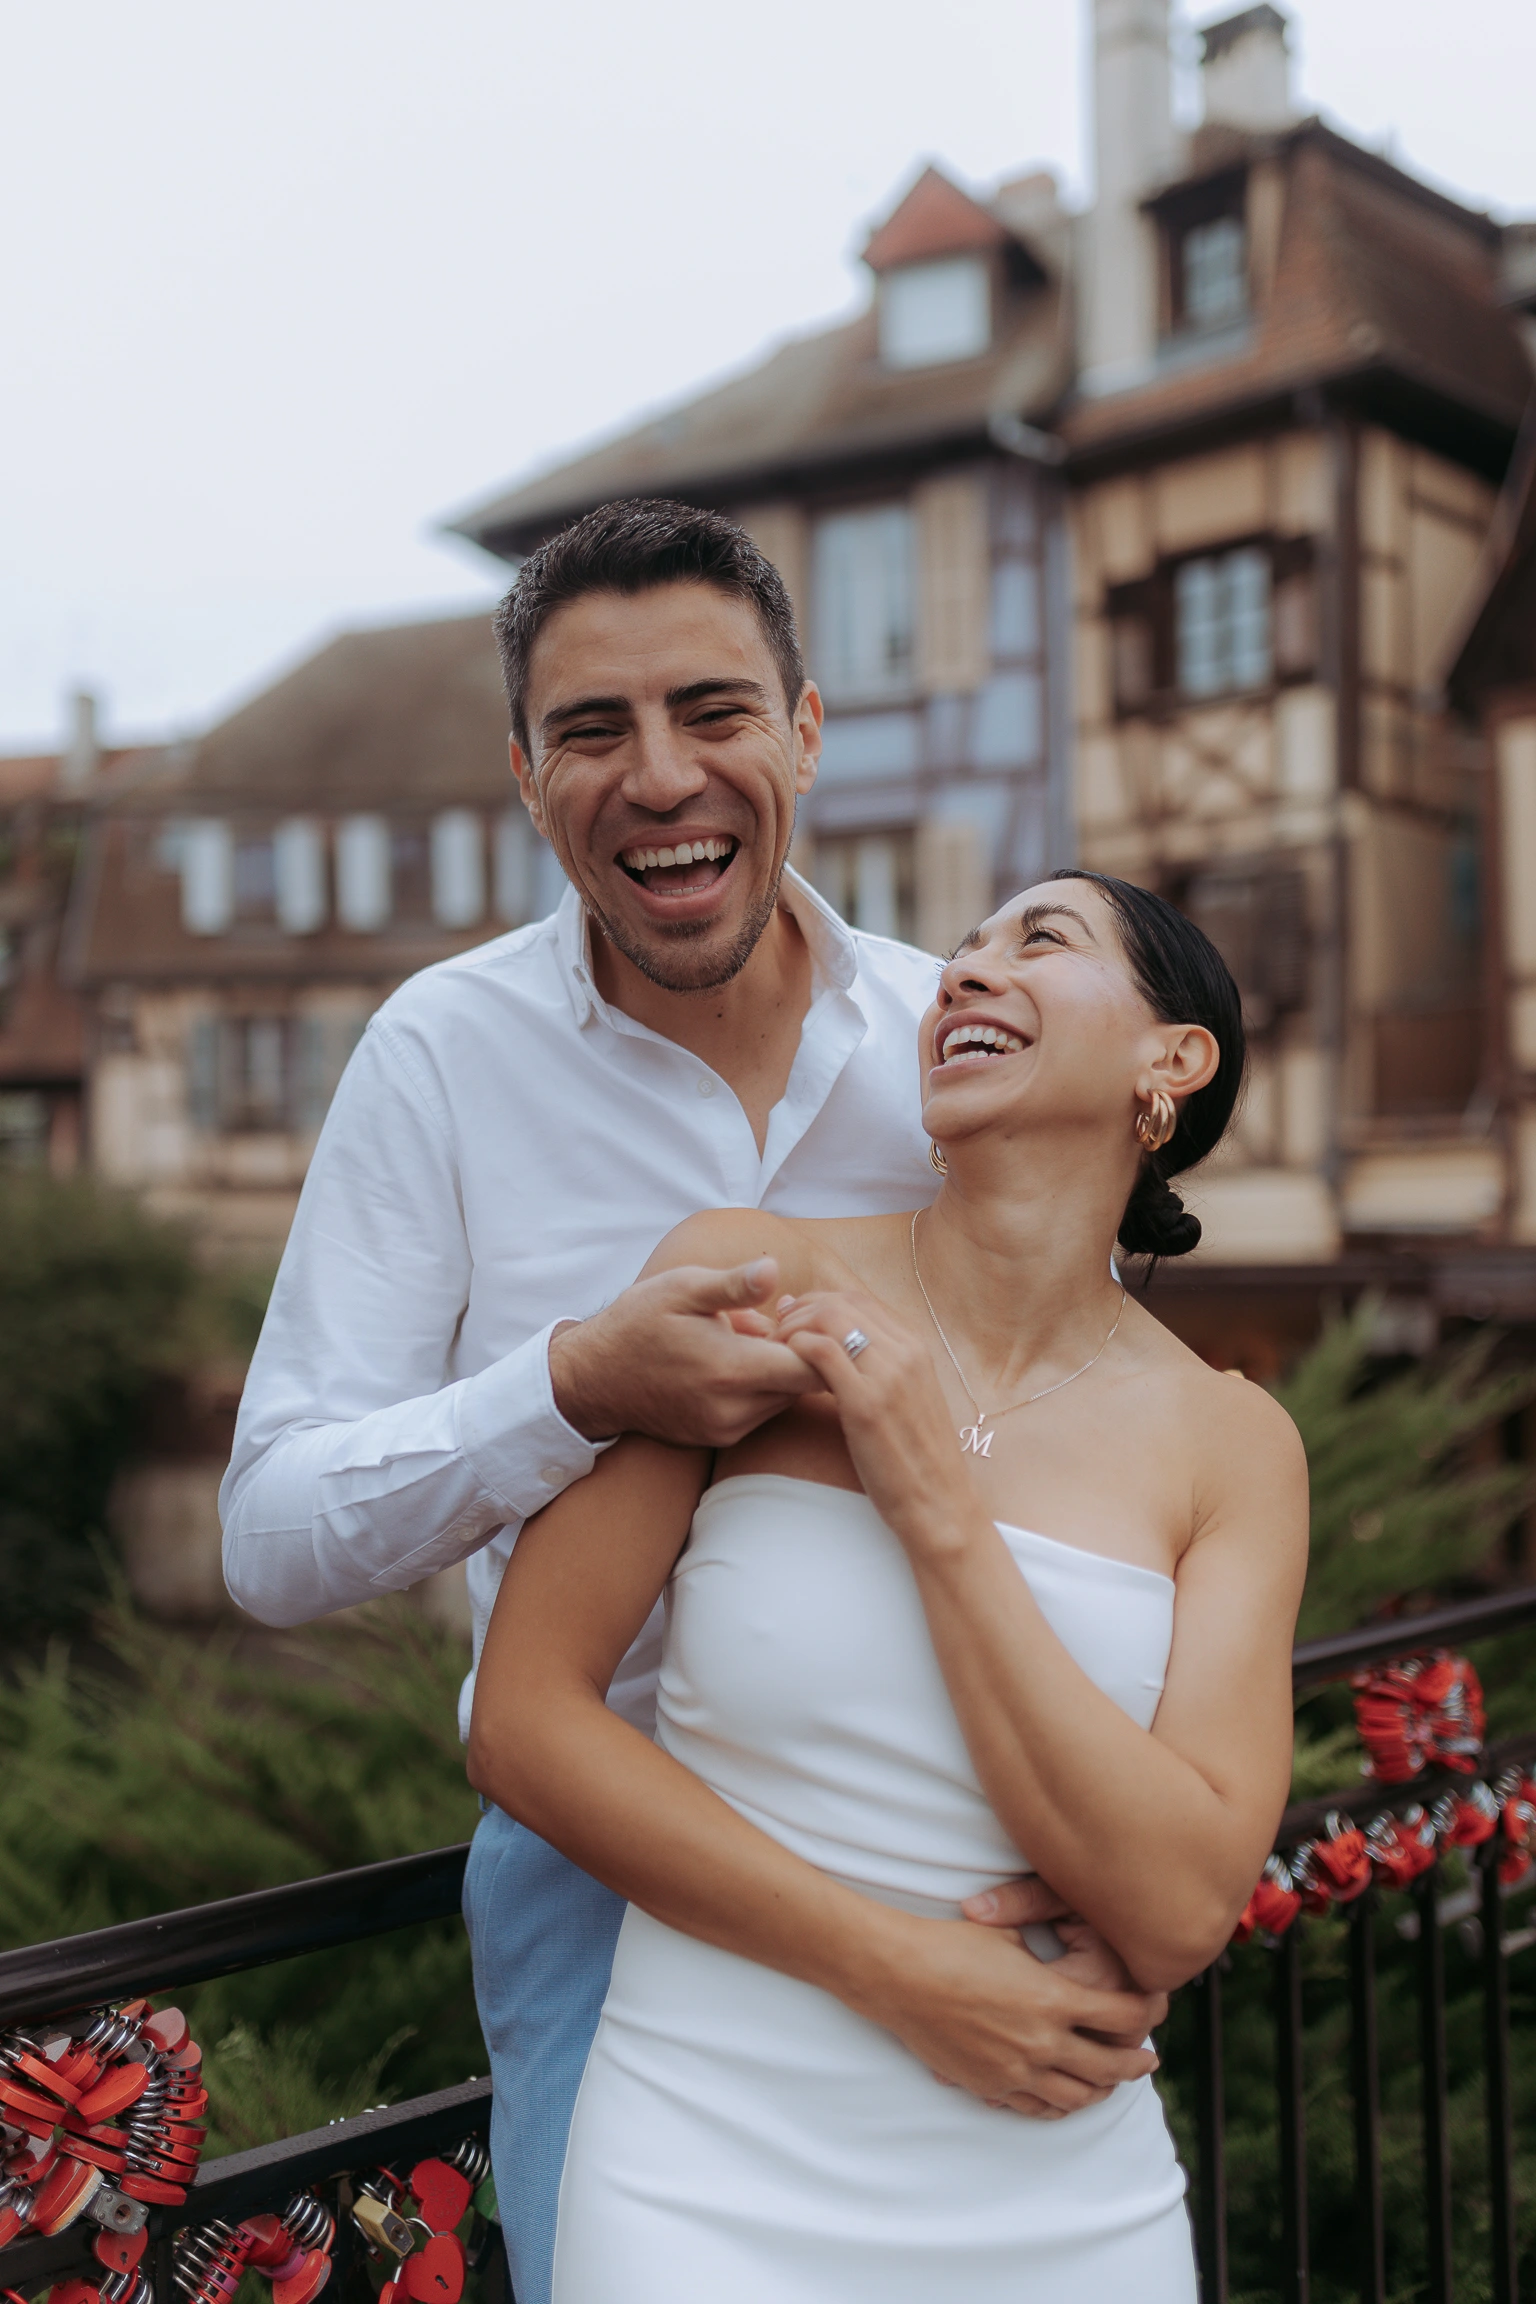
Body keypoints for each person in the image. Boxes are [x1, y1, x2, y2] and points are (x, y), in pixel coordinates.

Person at [221, 501, 1166, 2304]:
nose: (660, 777)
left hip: (959, 1838)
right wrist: (573, 1385)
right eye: (593, 730)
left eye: (713, 711)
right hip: (606, 1866)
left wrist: (1096, 1832)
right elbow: (267, 1537)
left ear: (805, 733)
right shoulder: (439, 1055)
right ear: (526, 777)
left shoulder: (959, 1038)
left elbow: (1091, 1443)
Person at [468, 869, 1310, 2302]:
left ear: (1173, 1062)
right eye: (962, 952)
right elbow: (523, 1720)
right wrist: (905, 1973)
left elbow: (1181, 1911)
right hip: (704, 2164)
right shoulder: (751, 1282)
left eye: (1041, 940)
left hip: (1062, 2200)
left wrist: (936, 1514)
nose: (966, 972)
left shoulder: (1234, 1445)